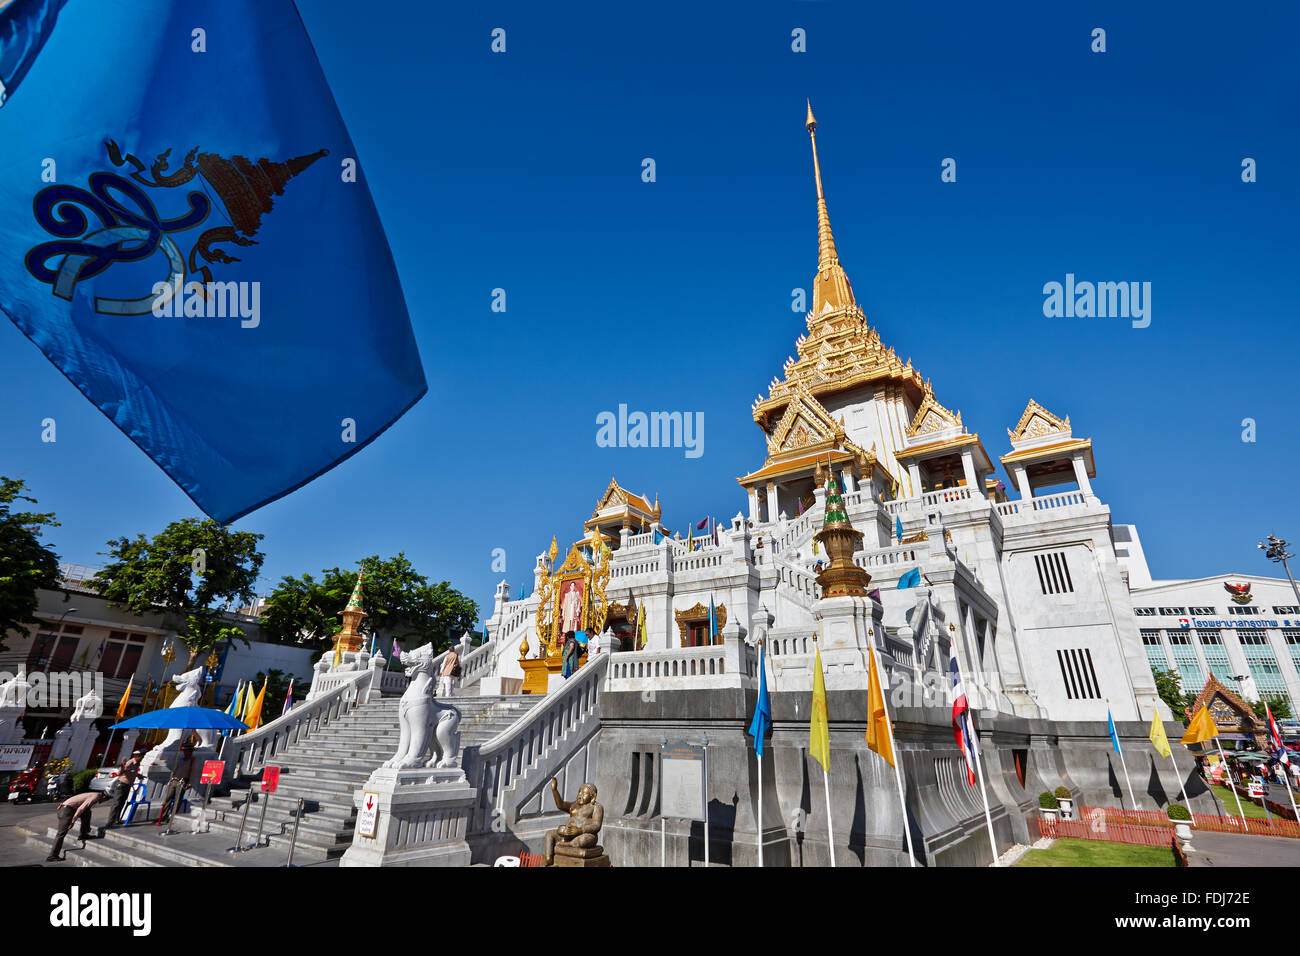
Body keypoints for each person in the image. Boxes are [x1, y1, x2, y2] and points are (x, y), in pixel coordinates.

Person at [48, 788, 110, 861]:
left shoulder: (95, 795)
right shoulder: (96, 796)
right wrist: (73, 821)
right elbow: (81, 808)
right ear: (104, 797)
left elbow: (84, 809)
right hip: (66, 811)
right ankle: (52, 855)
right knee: (61, 833)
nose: (103, 802)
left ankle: (84, 834)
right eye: (106, 800)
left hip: (69, 809)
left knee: (87, 812)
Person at [156, 741, 197, 825]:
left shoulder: (193, 760)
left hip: (182, 781)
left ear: (190, 751)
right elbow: (175, 769)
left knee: (177, 800)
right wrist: (171, 779)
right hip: (174, 780)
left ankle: (172, 816)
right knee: (167, 799)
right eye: (184, 750)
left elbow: (193, 772)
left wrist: (190, 782)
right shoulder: (181, 759)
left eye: (187, 750)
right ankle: (163, 816)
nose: (185, 752)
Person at [106, 750, 144, 828]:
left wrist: (138, 775)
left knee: (122, 803)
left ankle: (116, 819)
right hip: (122, 785)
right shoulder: (130, 762)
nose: (142, 758)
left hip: (127, 785)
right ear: (137, 756)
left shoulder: (137, 764)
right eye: (141, 756)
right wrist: (122, 765)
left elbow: (131, 772)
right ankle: (110, 822)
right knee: (116, 804)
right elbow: (120, 773)